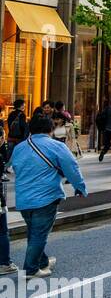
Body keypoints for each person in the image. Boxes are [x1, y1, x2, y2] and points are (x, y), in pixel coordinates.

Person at [10, 114, 87, 277]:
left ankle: (42, 261)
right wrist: (80, 187)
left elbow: (14, 168)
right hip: (46, 197)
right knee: (39, 233)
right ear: (51, 129)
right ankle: (30, 269)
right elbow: (72, 168)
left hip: (23, 198)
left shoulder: (19, 148)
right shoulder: (56, 146)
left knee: (34, 231)